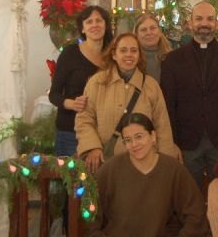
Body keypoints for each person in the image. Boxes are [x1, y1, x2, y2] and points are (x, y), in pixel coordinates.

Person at [161, 1, 218, 188]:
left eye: (210, 19)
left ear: (217, 24)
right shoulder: (173, 60)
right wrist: (171, 142)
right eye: (199, 18)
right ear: (189, 23)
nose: (204, 23)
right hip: (185, 142)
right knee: (187, 196)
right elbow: (167, 104)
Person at [85, 113, 209, 236]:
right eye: (128, 140)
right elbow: (90, 208)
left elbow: (195, 214)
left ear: (153, 136)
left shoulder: (173, 170)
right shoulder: (110, 169)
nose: (134, 144)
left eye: (139, 137)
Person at [76, 33, 180, 173]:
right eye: (123, 50)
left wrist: (167, 164)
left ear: (139, 55)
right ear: (114, 54)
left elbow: (162, 126)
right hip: (106, 164)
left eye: (133, 50)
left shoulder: (151, 86)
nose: (129, 55)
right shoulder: (97, 83)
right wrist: (92, 147)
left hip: (144, 166)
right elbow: (84, 119)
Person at [48, 5, 113, 158]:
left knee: (100, 180)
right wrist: (71, 103)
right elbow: (54, 94)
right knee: (74, 180)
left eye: (99, 20)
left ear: (106, 25)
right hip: (71, 131)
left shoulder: (113, 55)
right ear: (82, 29)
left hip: (103, 131)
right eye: (89, 22)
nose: (95, 24)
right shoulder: (70, 53)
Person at [134, 13, 171, 83]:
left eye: (152, 28)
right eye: (143, 30)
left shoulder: (171, 58)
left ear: (159, 31)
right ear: (136, 35)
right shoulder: (131, 59)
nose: (149, 32)